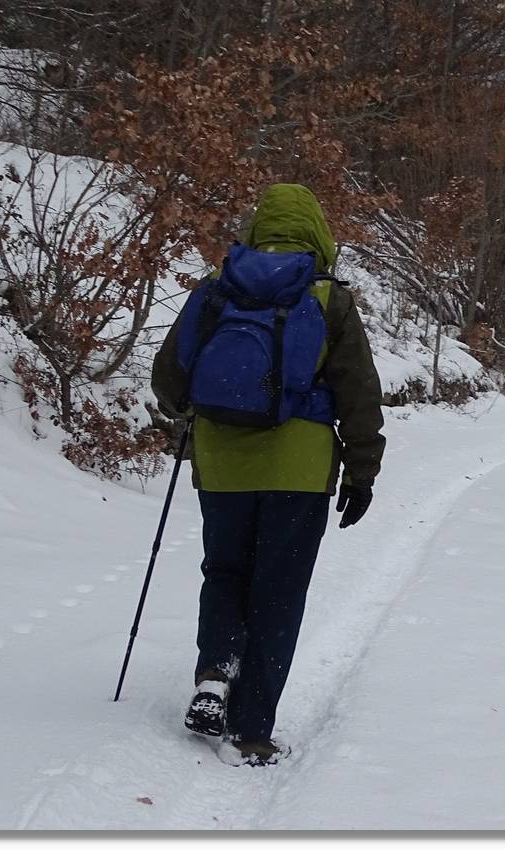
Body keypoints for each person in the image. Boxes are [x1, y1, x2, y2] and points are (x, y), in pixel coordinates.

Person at [151, 184, 386, 766]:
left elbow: (168, 380)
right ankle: (251, 731)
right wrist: (361, 472)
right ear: (319, 233)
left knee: (224, 571)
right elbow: (359, 394)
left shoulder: (215, 289)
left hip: (222, 466)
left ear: (257, 228)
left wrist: (201, 414)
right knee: (278, 591)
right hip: (299, 471)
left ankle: (215, 672)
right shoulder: (328, 297)